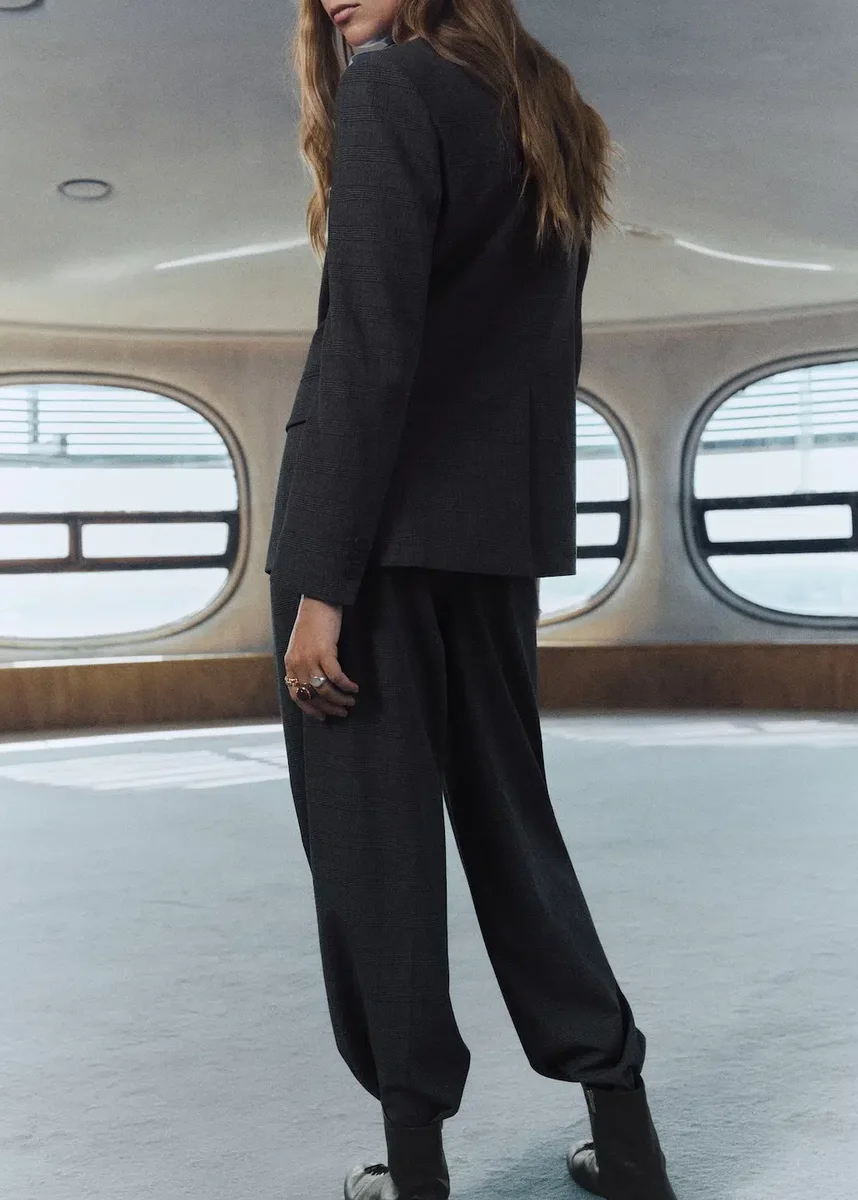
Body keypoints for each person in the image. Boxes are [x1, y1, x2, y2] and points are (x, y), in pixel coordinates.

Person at [265, 2, 680, 1198]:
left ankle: (415, 1171)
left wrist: (325, 585)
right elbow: (531, 351)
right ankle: (627, 1134)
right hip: (488, 540)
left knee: (373, 856)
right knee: (514, 828)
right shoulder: (547, 110)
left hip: (369, 541)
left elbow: (370, 343)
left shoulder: (391, 88)